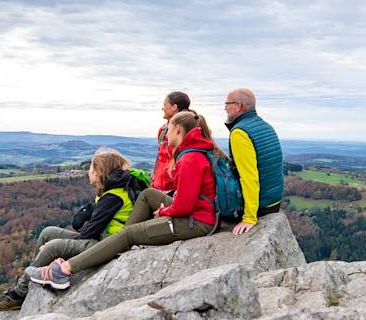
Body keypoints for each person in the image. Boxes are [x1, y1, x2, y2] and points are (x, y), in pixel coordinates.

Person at [23, 111, 219, 289]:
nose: (165, 135)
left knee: (129, 235)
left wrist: (164, 212)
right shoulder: (194, 152)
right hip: (198, 213)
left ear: (177, 129)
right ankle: (122, 239)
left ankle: (63, 271)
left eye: (168, 131)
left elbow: (184, 207)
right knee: (148, 195)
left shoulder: (190, 159)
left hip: (197, 222)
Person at [0, 149, 147, 312]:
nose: (88, 172)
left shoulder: (113, 197)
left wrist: (57, 248)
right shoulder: (111, 192)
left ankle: (17, 296)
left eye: (91, 169)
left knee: (52, 246)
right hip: (100, 238)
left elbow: (88, 233)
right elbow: (87, 226)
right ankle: (31, 281)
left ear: (99, 173)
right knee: (48, 233)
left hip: (107, 245)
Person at [223, 88, 284, 235]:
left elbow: (249, 177)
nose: (225, 109)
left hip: (260, 207)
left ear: (238, 106)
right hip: (274, 200)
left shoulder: (240, 133)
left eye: (227, 104)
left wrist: (249, 217)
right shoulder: (265, 126)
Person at [154, 91, 192, 193]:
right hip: (160, 186)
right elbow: (159, 157)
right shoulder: (163, 130)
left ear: (174, 107)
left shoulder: (189, 129)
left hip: (176, 187)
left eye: (165, 105)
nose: (162, 108)